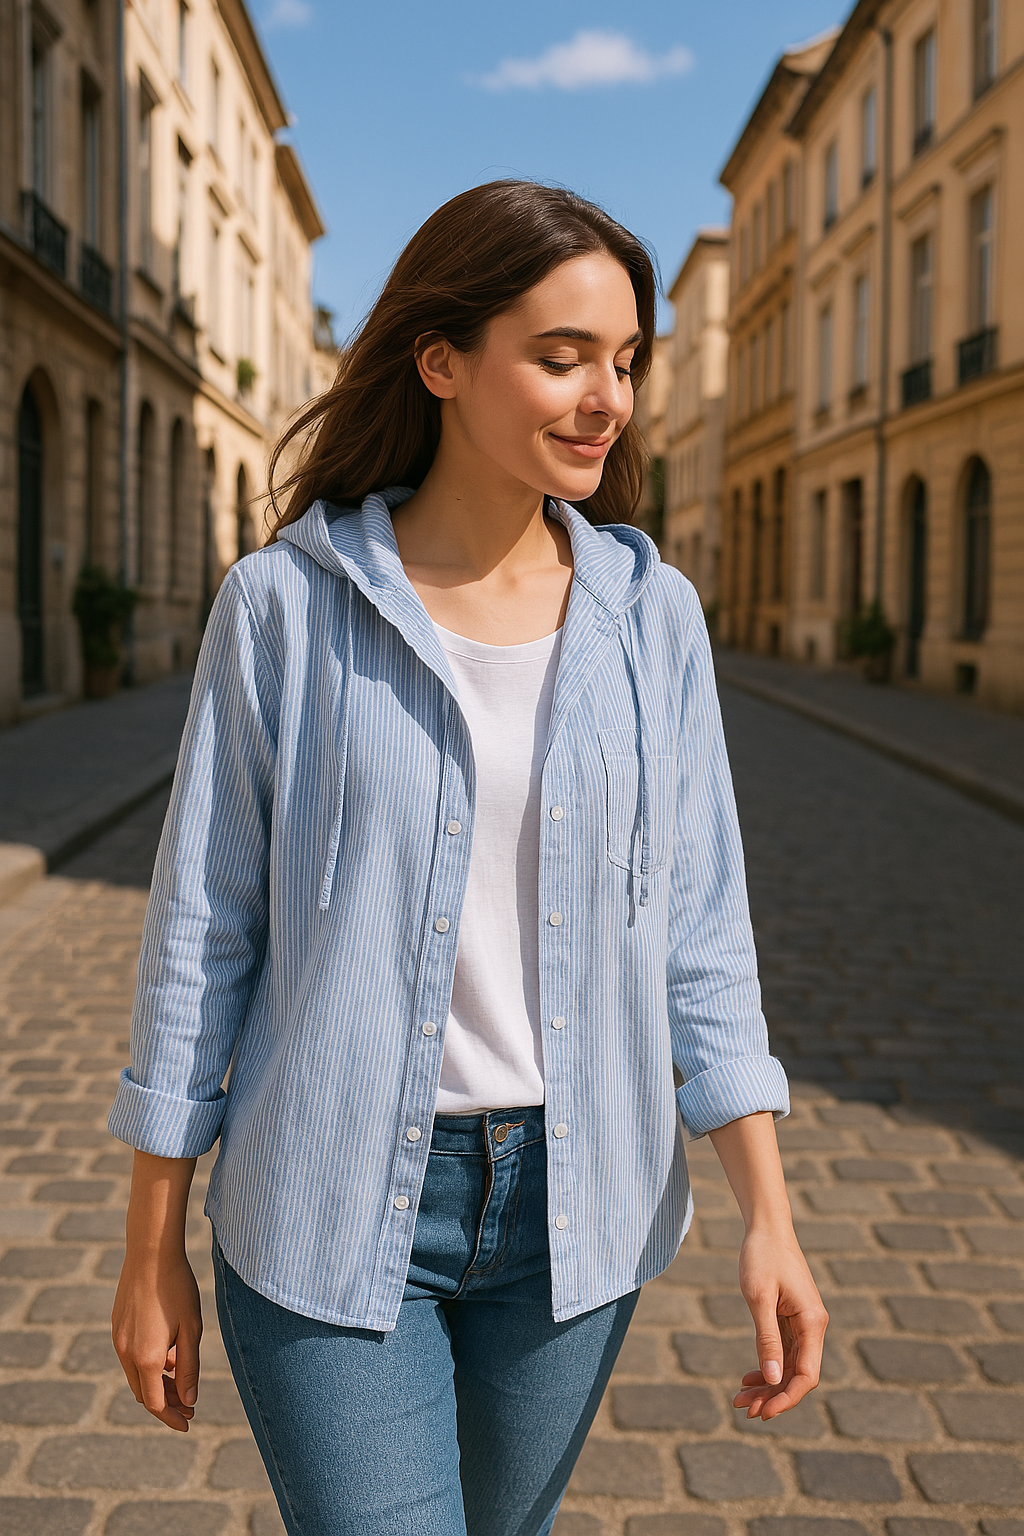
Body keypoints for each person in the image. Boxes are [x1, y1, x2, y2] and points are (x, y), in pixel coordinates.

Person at [110, 180, 827, 1536]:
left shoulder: (650, 620)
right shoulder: (283, 609)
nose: (606, 395)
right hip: (326, 1204)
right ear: (441, 360)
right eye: (560, 356)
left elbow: (700, 931)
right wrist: (151, 1248)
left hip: (580, 1215)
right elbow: (203, 931)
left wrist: (767, 1216)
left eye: (623, 361)